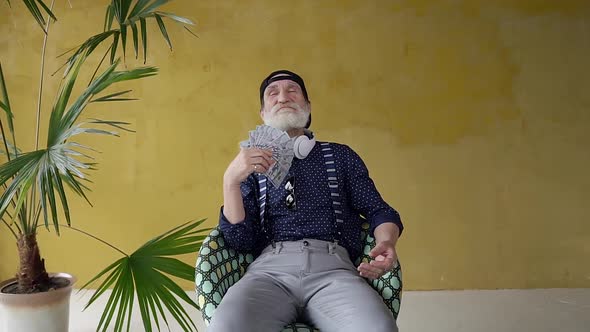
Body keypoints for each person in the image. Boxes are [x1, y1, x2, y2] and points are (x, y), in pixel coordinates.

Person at [208, 70, 403, 332]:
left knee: (379, 328)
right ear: (263, 114)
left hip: (335, 272)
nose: (283, 97)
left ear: (308, 108)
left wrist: (386, 242)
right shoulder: (249, 167)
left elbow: (378, 210)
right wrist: (230, 180)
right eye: (272, 93)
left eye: (292, 90)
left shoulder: (340, 156)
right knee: (225, 327)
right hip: (268, 274)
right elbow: (240, 240)